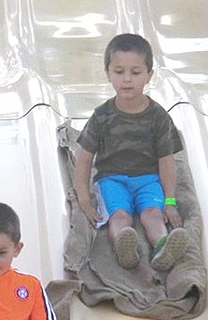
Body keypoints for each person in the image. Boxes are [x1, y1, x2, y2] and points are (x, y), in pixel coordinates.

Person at [73, 32, 190, 273]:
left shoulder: (158, 117)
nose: (127, 79)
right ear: (108, 73)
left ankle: (163, 247)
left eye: (135, 73)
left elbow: (166, 161)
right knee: (120, 217)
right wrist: (84, 199)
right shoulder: (102, 116)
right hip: (112, 179)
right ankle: (125, 248)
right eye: (119, 72)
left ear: (149, 75)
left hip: (148, 179)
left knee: (153, 215)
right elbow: (84, 158)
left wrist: (169, 201)